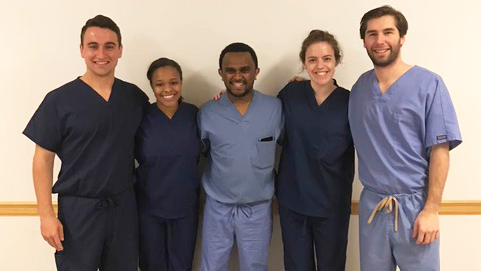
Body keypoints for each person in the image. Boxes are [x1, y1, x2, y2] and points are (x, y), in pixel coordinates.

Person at [23, 15, 148, 271]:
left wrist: (221, 97)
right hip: (78, 212)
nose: (101, 53)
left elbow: (165, 123)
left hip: (123, 208)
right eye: (93, 46)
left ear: (120, 50)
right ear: (82, 50)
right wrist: (46, 215)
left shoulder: (134, 98)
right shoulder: (59, 100)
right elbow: (42, 159)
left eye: (109, 46)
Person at [349, 5, 462, 271]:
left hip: (416, 208)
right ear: (364, 41)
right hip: (372, 207)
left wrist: (432, 209)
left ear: (402, 37)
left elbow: (440, 150)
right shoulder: (359, 89)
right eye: (372, 33)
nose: (380, 40)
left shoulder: (429, 84)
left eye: (388, 32)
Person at [198, 42, 283, 271]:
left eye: (245, 69)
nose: (237, 76)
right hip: (218, 206)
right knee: (211, 267)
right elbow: (200, 152)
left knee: (255, 267)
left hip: (257, 208)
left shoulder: (275, 109)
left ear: (256, 71)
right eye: (230, 70)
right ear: (221, 73)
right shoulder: (207, 112)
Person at [276, 30, 354, 271]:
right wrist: (229, 98)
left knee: (332, 265)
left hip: (333, 204)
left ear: (336, 60)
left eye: (327, 58)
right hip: (293, 200)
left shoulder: (350, 101)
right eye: (312, 60)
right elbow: (259, 118)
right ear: (304, 63)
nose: (320, 66)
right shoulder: (290, 94)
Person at [135, 58, 200, 271]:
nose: (167, 89)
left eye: (173, 82)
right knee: (151, 264)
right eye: (159, 84)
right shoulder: (141, 116)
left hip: (185, 207)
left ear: (181, 83)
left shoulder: (195, 115)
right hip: (148, 208)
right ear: (152, 87)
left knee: (182, 265)